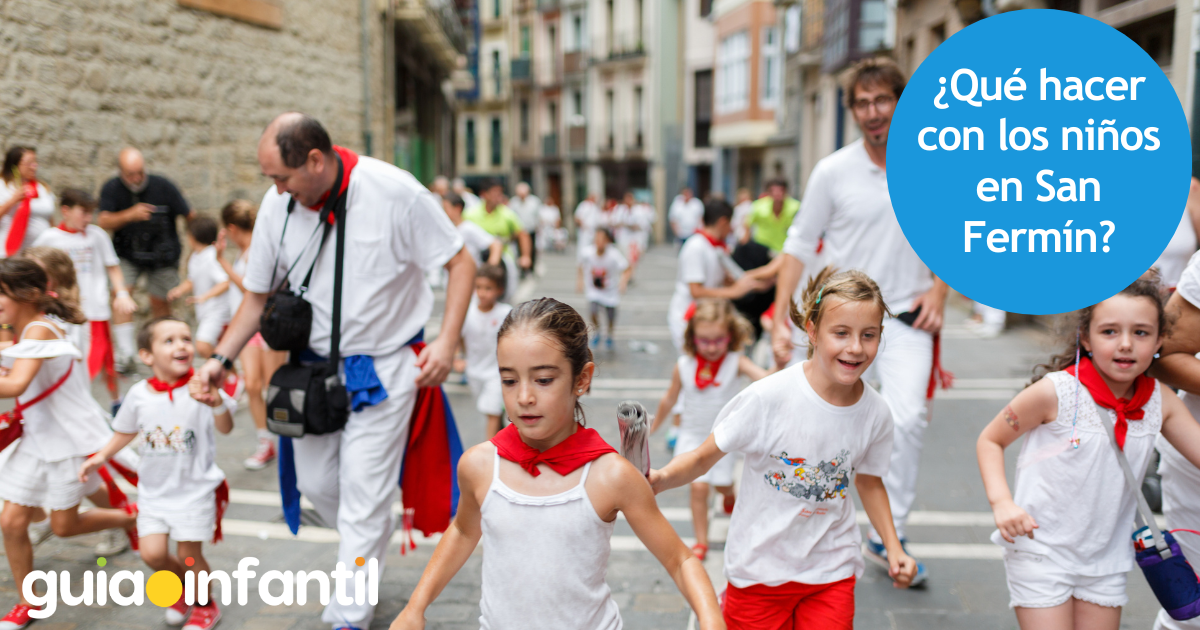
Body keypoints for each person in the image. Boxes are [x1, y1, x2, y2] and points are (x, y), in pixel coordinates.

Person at [193, 112, 474, 630]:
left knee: (365, 498)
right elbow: (256, 298)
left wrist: (446, 339)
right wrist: (219, 360)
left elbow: (460, 263)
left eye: (282, 176)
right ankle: (364, 545)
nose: (275, 189)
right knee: (321, 485)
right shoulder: (278, 206)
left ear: (315, 160)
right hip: (310, 374)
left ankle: (349, 614)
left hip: (383, 369)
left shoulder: (395, 191)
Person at [389, 298, 725, 630]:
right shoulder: (479, 465)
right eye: (509, 380)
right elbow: (463, 531)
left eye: (544, 380)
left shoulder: (611, 475)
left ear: (582, 379)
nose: (524, 397)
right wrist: (415, 607)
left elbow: (678, 559)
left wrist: (711, 619)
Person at [650, 268, 917, 629]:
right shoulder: (767, 397)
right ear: (812, 331)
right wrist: (661, 478)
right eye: (841, 333)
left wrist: (894, 547)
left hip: (830, 570)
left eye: (868, 335)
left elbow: (870, 482)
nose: (855, 347)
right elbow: (702, 458)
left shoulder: (877, 413)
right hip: (759, 573)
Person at [771, 58, 946, 584]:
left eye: (883, 100)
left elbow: (957, 230)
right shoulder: (833, 171)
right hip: (844, 318)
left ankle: (887, 532)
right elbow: (800, 242)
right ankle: (812, 517)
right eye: (862, 103)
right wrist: (784, 315)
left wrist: (940, 290)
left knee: (908, 418)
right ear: (852, 111)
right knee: (817, 419)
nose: (873, 112)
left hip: (908, 316)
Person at [977, 275, 1200, 630]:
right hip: (1041, 552)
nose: (1125, 344)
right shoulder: (1056, 392)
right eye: (1110, 331)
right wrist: (1002, 502)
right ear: (1086, 337)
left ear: (1160, 340)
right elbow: (991, 439)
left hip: (1106, 561)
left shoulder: (1162, 400)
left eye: (1141, 333)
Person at [0, 259, 137, 630]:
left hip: (64, 438)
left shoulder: (42, 329)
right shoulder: (21, 325)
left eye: (1, 292)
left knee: (63, 526)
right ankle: (30, 601)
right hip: (37, 437)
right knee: (11, 522)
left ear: (26, 295)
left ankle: (137, 517)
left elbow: (15, 386)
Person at [81, 317, 235, 630]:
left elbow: (226, 426)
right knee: (152, 554)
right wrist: (101, 456)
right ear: (146, 356)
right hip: (154, 492)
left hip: (195, 490)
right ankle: (184, 592)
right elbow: (124, 431)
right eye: (169, 340)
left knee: (189, 555)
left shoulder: (203, 386)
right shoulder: (138, 394)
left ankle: (205, 606)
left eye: (186, 339)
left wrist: (216, 401)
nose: (181, 345)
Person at [650, 299, 768, 561]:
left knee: (723, 484)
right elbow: (669, 398)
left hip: (722, 438)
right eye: (704, 340)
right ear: (692, 337)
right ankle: (700, 541)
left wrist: (781, 365)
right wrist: (655, 424)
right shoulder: (684, 365)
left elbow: (766, 379)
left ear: (730, 336)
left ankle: (729, 495)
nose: (712, 347)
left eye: (719, 340)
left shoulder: (736, 362)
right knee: (699, 488)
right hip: (691, 435)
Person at [31, 188, 137, 410]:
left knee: (101, 360)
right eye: (83, 212)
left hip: (95, 310)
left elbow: (113, 267)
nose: (88, 218)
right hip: (63, 311)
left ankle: (114, 403)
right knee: (73, 358)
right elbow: (33, 268)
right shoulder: (50, 238)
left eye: (91, 213)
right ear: (66, 211)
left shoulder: (96, 235)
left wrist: (122, 292)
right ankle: (78, 403)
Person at [98, 147, 194, 369]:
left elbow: (189, 215)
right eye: (131, 174)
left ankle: (162, 349)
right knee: (121, 295)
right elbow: (103, 221)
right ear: (121, 172)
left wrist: (195, 248)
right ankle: (126, 353)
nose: (137, 178)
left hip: (162, 255)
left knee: (160, 302)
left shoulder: (163, 185)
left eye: (140, 172)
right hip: (127, 253)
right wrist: (130, 215)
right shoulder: (112, 188)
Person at [216, 200, 288, 471]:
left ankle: (286, 440)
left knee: (272, 386)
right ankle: (265, 442)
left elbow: (251, 290)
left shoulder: (256, 250)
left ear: (232, 228)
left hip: (265, 326)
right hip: (251, 330)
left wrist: (221, 261)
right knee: (255, 386)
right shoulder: (244, 251)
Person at [668, 199, 773, 354]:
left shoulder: (716, 247)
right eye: (731, 224)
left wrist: (755, 285)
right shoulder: (696, 246)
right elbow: (696, 291)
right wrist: (734, 292)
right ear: (723, 222)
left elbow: (726, 280)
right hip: (689, 316)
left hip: (708, 316)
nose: (731, 229)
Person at [460, 264, 512, 439]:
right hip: (474, 371)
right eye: (478, 287)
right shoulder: (467, 313)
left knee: (492, 411)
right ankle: (503, 437)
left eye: (488, 288)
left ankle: (490, 456)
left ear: (499, 290)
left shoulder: (505, 313)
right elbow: (457, 336)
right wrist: (458, 357)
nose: (482, 293)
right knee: (490, 411)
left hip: (497, 373)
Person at [166, 217, 230, 361]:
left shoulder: (211, 256)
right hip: (205, 310)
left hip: (217, 310)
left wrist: (204, 297)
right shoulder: (196, 256)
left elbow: (225, 282)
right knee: (219, 346)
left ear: (193, 236)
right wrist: (179, 290)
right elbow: (192, 280)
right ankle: (228, 376)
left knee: (202, 345)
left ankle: (226, 372)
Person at [442, 192, 511, 300]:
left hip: (470, 283)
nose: (443, 212)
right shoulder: (448, 231)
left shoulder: (468, 228)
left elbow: (496, 245)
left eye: (445, 208)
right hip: (453, 283)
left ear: (457, 208)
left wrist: (488, 273)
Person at [465, 179, 533, 278]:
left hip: (504, 259)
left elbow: (522, 234)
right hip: (477, 260)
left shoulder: (508, 214)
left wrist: (525, 256)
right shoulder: (470, 214)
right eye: (495, 193)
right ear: (484, 194)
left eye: (500, 193)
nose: (499, 197)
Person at [577, 228, 631, 350]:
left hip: (610, 291)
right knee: (593, 310)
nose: (598, 242)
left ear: (607, 241)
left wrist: (623, 283)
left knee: (611, 316)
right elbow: (580, 265)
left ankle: (610, 334)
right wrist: (580, 281)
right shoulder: (587, 252)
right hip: (594, 290)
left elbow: (627, 268)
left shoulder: (614, 254)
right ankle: (598, 332)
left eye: (601, 239)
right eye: (596, 239)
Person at [0, 148, 55, 260]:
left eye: (35, 162)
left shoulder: (42, 188)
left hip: (40, 253)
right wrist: (13, 200)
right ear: (15, 165)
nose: (34, 166)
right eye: (29, 163)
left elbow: (50, 219)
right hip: (9, 253)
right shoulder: (3, 186)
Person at [746, 179, 800, 254]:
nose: (777, 194)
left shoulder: (795, 208)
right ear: (768, 192)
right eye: (773, 191)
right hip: (762, 251)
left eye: (780, 191)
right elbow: (747, 224)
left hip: (786, 250)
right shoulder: (758, 206)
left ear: (785, 192)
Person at [508, 182, 542, 276]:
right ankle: (522, 268)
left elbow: (538, 216)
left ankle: (531, 267)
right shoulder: (514, 202)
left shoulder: (534, 201)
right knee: (519, 250)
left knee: (532, 250)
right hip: (519, 230)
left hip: (531, 230)